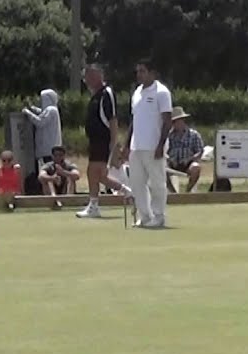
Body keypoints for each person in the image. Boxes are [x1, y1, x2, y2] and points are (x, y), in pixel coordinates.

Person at [126, 58, 173, 229]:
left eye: (142, 71)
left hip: (153, 146)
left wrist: (161, 145)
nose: (139, 75)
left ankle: (159, 216)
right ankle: (145, 216)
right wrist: (126, 145)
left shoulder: (162, 92)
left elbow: (167, 121)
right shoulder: (137, 92)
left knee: (157, 183)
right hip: (136, 146)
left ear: (152, 73)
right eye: (138, 71)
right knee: (137, 183)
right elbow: (134, 120)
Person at [77, 64, 124, 218]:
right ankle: (129, 193)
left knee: (93, 172)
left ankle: (94, 205)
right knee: (100, 176)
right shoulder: (95, 96)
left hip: (103, 140)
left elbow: (113, 119)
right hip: (95, 141)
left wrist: (114, 144)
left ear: (99, 75)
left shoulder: (106, 93)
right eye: (85, 77)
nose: (87, 80)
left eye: (89, 76)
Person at [165, 107, 204, 193]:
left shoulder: (194, 135)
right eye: (173, 122)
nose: (175, 124)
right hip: (172, 163)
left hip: (188, 163)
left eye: (177, 121)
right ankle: (173, 193)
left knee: (196, 167)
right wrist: (169, 159)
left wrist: (191, 159)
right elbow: (165, 152)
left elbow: (200, 151)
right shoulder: (168, 136)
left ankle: (187, 192)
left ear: (183, 120)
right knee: (162, 169)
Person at [23, 89, 64, 171]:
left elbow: (40, 122)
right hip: (50, 146)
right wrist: (32, 108)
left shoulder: (51, 110)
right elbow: (42, 112)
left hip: (48, 147)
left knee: (48, 168)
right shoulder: (52, 109)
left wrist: (28, 113)